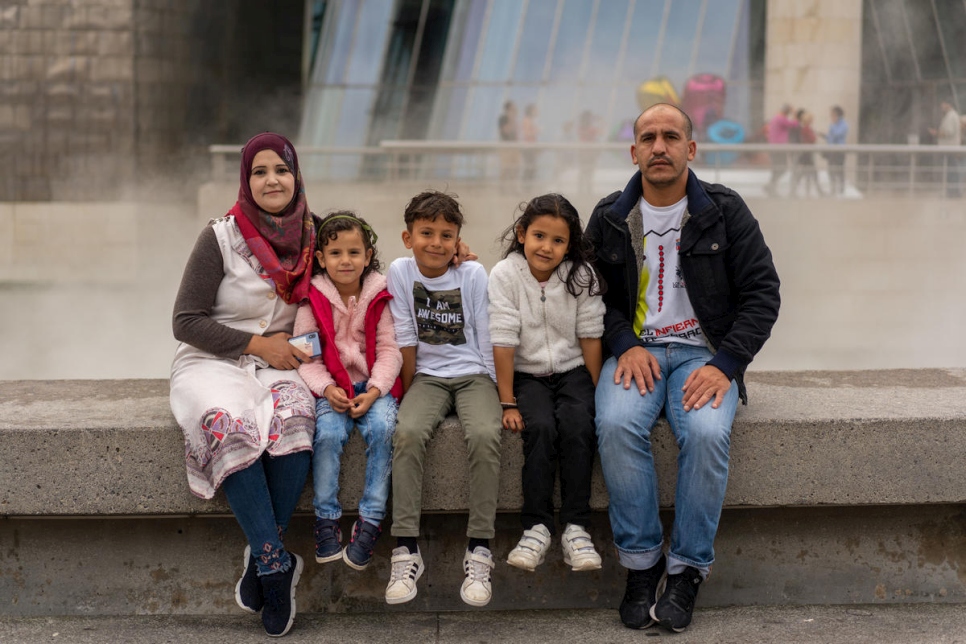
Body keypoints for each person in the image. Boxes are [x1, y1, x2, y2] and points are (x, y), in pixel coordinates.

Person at [585, 104, 780, 633]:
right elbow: (591, 299)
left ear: (691, 149)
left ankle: (688, 570)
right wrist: (623, 343)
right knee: (618, 425)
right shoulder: (607, 216)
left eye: (671, 136)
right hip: (637, 353)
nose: (659, 146)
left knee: (707, 432)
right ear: (633, 152)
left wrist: (727, 363)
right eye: (648, 137)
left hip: (703, 354)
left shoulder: (723, 210)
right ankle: (643, 566)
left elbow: (763, 294)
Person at [170, 132, 317, 638]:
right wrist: (258, 345)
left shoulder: (314, 236)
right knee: (228, 427)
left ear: (296, 176)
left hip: (282, 364)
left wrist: (455, 263)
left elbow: (363, 276)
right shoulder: (221, 236)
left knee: (297, 420)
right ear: (246, 180)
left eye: (281, 169)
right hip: (212, 361)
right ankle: (275, 564)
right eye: (260, 171)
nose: (272, 179)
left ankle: (261, 554)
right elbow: (185, 321)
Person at [384, 190, 502, 607]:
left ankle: (480, 548)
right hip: (428, 377)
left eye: (446, 235)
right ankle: (405, 549)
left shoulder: (472, 274)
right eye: (426, 233)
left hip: (473, 375)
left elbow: (485, 334)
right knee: (408, 433)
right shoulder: (399, 272)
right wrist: (410, 389)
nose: (436, 242)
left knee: (487, 434)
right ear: (407, 236)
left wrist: (497, 392)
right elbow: (404, 333)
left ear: (458, 241)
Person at [487, 194, 606, 573]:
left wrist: (600, 389)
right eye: (539, 236)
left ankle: (576, 528)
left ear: (569, 245)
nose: (547, 247)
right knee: (538, 427)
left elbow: (590, 334)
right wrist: (507, 401)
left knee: (576, 425)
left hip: (573, 372)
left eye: (558, 240)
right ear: (522, 234)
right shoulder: (505, 275)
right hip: (527, 375)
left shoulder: (581, 275)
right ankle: (536, 526)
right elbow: (503, 339)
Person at [293, 211, 403, 572]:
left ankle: (371, 519)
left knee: (385, 430)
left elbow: (389, 350)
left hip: (373, 386)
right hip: (331, 389)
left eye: (354, 252)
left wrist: (374, 391)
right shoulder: (312, 300)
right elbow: (306, 358)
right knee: (326, 434)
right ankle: (326, 518)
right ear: (321, 259)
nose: (346, 261)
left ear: (368, 256)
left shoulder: (379, 294)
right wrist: (325, 388)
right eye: (336, 253)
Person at [929, 100, 962, 197]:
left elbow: (948, 132)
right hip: (951, 148)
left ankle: (953, 192)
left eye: (943, 103)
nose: (941, 106)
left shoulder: (951, 116)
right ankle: (953, 191)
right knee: (951, 170)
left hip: (950, 148)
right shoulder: (952, 115)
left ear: (948, 104)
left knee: (951, 171)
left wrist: (936, 133)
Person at [763, 103, 797, 196]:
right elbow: (794, 124)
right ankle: (771, 185)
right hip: (779, 148)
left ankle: (771, 187)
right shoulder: (781, 119)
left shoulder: (775, 118)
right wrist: (794, 113)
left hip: (774, 148)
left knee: (777, 168)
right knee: (782, 167)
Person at [789, 109, 825, 198]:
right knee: (810, 173)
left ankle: (796, 191)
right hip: (806, 155)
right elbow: (811, 139)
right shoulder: (806, 129)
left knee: (806, 173)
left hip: (806, 154)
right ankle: (817, 191)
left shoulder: (806, 128)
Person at [820, 105, 849, 196]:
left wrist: (831, 133)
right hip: (831, 151)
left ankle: (841, 189)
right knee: (831, 170)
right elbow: (830, 137)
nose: (831, 117)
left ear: (837, 115)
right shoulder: (832, 125)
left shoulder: (844, 124)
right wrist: (825, 136)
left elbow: (837, 134)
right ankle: (833, 189)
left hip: (839, 151)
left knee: (839, 170)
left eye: (832, 114)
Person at [498, 100, 520, 181]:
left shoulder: (514, 119)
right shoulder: (503, 118)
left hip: (514, 146)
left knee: (515, 167)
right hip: (506, 146)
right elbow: (506, 131)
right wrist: (511, 119)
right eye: (512, 109)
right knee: (505, 167)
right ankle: (503, 186)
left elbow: (516, 133)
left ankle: (512, 186)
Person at [521, 104, 540, 184]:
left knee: (532, 167)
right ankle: (526, 185)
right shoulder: (527, 120)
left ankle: (528, 185)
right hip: (528, 147)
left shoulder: (530, 120)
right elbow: (526, 133)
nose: (536, 112)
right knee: (529, 167)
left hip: (531, 146)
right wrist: (536, 131)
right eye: (535, 110)